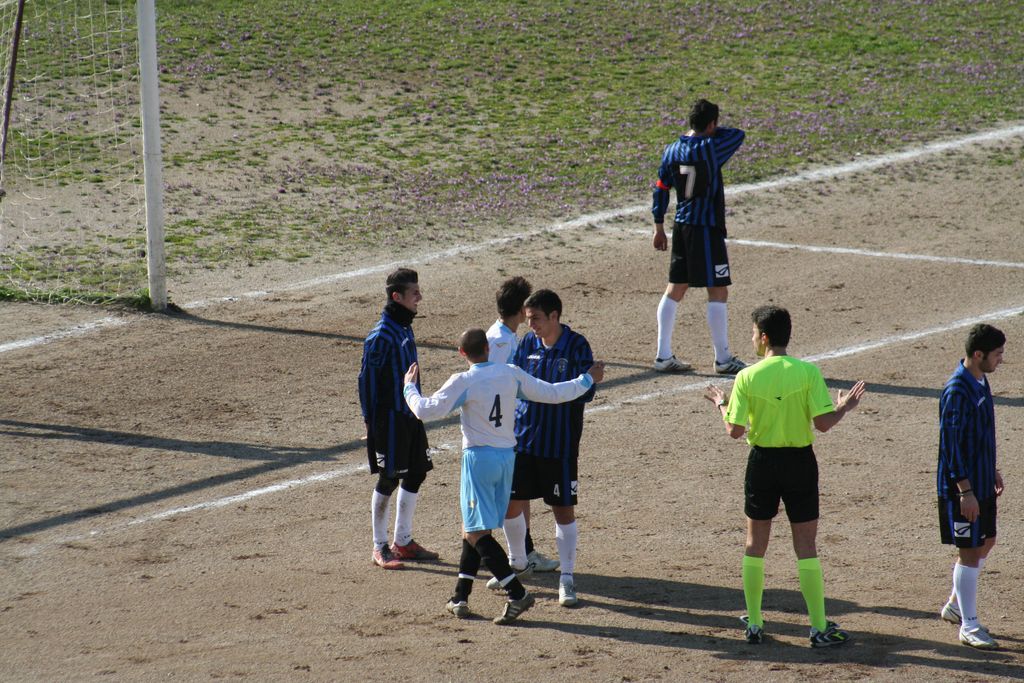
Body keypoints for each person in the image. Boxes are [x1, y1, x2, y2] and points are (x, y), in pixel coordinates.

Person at [403, 328, 605, 624]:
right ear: (487, 348)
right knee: (472, 528)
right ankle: (460, 596)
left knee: (477, 532)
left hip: (479, 461)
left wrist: (409, 387)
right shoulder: (511, 374)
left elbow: (424, 410)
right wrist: (586, 379)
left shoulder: (464, 380)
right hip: (507, 459)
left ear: (462, 353)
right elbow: (553, 393)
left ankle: (516, 593)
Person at [704, 305, 866, 647]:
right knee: (806, 546)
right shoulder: (808, 372)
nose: (751, 339)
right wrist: (844, 407)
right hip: (800, 464)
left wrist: (721, 404)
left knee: (754, 545)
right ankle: (819, 627)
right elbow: (823, 424)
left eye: (753, 333)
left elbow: (734, 430)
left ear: (764, 338)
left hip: (761, 464)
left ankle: (755, 623)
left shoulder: (747, 377)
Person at [496, 289, 597, 608]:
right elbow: (514, 382)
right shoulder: (527, 344)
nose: (531, 325)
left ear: (554, 316)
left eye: (536, 319)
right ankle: (518, 562)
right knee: (511, 504)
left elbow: (586, 393)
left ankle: (566, 577)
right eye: (528, 319)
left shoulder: (577, 345)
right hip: (523, 440)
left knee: (562, 510)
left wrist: (574, 386)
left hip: (559, 444)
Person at [652, 98, 746, 375]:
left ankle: (663, 355)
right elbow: (738, 134)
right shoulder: (712, 147)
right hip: (706, 228)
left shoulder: (671, 150)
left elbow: (661, 188)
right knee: (717, 290)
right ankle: (723, 359)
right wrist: (712, 129)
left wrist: (658, 226)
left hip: (681, 226)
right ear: (712, 124)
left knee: (675, 288)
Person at [358, 267, 438, 570]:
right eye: (414, 292)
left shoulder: (404, 326)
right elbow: (366, 382)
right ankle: (379, 546)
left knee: (416, 473)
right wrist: (370, 423)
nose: (419, 297)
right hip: (389, 421)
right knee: (389, 478)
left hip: (410, 414)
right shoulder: (380, 336)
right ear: (397, 296)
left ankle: (402, 542)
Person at [937, 324, 1006, 650]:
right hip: (962, 489)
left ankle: (955, 606)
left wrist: (991, 469)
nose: (1001, 359)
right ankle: (969, 625)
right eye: (997, 354)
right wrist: (965, 491)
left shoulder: (979, 380)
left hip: (980, 480)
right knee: (968, 552)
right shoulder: (957, 391)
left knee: (986, 541)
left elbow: (980, 434)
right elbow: (950, 446)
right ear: (978, 355)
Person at [486, 276, 560, 574]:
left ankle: (525, 552)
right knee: (510, 495)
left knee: (519, 493)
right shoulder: (502, 342)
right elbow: (496, 386)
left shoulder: (502, 335)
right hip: (502, 431)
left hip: (507, 428)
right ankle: (510, 556)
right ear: (520, 309)